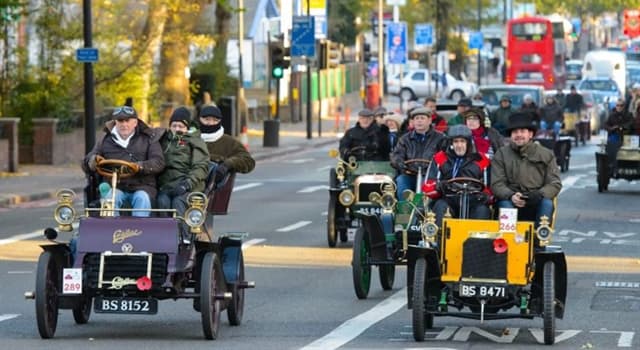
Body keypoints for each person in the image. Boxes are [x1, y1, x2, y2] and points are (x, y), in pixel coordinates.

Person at [82, 106, 165, 217]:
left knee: (142, 198)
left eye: (127, 120)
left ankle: (140, 231)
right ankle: (111, 230)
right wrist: (92, 161)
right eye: (120, 121)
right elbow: (87, 162)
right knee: (110, 198)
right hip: (115, 186)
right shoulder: (105, 140)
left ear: (135, 122)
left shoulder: (149, 138)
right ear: (115, 122)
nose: (124, 124)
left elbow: (159, 162)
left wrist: (139, 166)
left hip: (142, 186)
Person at [491, 112, 562, 227]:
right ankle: (507, 241)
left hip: (537, 198)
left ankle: (539, 241)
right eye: (515, 132)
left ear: (530, 134)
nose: (518, 135)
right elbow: (497, 183)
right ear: (511, 136)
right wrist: (511, 195)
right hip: (510, 199)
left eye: (522, 131)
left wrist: (539, 194)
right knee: (505, 205)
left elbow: (555, 183)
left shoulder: (546, 154)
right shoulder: (501, 154)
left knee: (547, 204)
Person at [422, 125, 492, 227]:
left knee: (482, 210)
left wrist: (484, 195)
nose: (459, 145)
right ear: (450, 143)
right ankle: (439, 240)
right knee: (440, 206)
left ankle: (477, 241)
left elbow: (489, 188)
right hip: (448, 198)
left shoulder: (481, 159)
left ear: (468, 143)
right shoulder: (439, 158)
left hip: (473, 200)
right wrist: (440, 186)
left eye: (462, 141)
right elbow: (427, 187)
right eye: (456, 142)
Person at [157, 107, 210, 222]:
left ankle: (182, 236)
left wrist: (186, 185)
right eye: (174, 126)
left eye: (181, 126)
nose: (177, 129)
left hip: (188, 185)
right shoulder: (164, 140)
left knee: (179, 202)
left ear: (187, 128)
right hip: (166, 185)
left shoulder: (195, 142)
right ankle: (164, 235)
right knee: (162, 201)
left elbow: (200, 166)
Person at [197, 105, 256, 191]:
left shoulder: (228, 141)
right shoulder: (191, 138)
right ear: (199, 119)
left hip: (214, 192)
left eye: (215, 120)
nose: (210, 123)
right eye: (206, 120)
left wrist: (227, 164)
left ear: (220, 121)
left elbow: (248, 161)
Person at [391, 107, 446, 198]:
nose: (419, 121)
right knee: (401, 181)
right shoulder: (405, 139)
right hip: (409, 173)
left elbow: (445, 156)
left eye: (422, 118)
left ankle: (424, 209)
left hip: (430, 175)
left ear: (429, 120)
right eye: (417, 118)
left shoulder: (440, 138)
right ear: (412, 122)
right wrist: (400, 164)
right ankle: (405, 208)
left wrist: (434, 168)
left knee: (427, 186)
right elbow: (397, 155)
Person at [604, 99, 634, 175]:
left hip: (626, 136)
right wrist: (612, 128)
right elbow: (606, 125)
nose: (619, 107)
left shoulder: (628, 115)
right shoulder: (612, 115)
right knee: (612, 145)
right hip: (615, 135)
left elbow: (631, 123)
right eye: (617, 105)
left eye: (621, 105)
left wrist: (623, 127)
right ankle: (613, 166)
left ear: (624, 106)